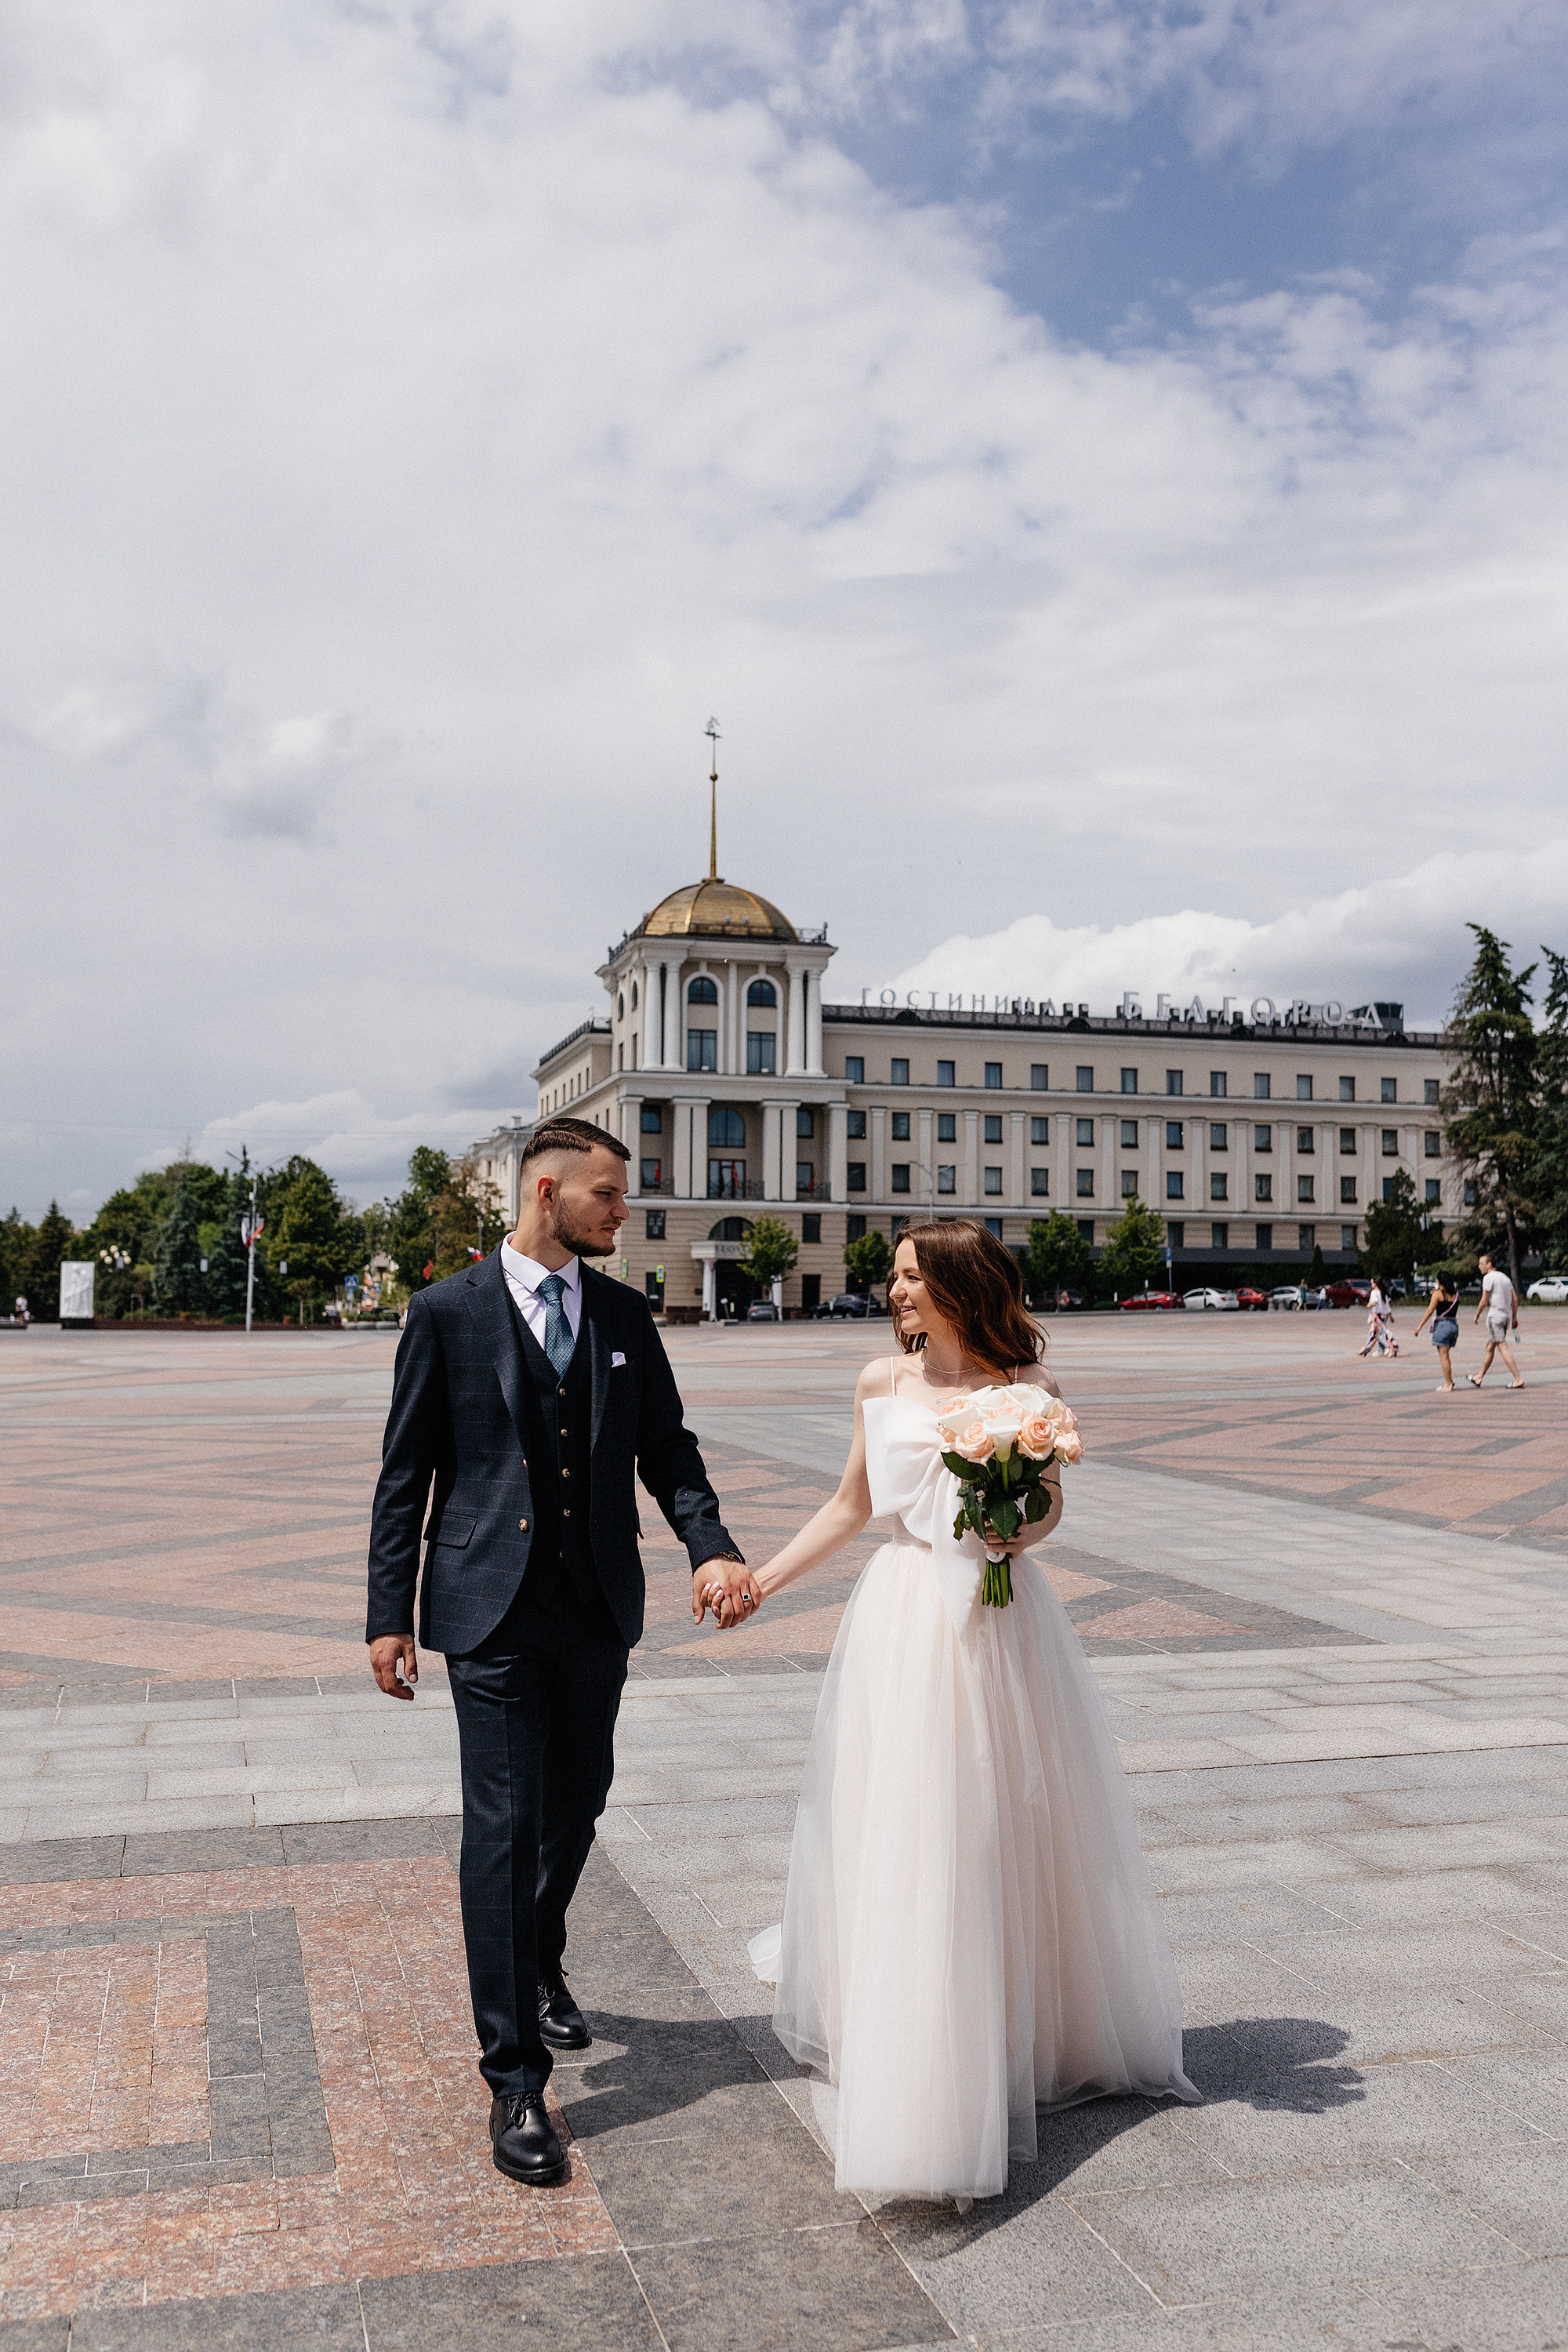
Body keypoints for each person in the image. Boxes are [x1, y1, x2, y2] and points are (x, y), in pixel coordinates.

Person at [720, 1218, 1195, 2205]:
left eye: (907, 1278)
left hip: (998, 1615)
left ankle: (1023, 2024)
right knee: (904, 1819)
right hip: (899, 1618)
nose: (892, 1293)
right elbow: (851, 1507)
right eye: (890, 1278)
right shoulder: (876, 1384)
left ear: (955, 1285)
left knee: (999, 1816)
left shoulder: (1028, 1393)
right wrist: (760, 1579)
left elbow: (1050, 1508)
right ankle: (914, 2027)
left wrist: (1018, 1521)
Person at [365, 1116, 755, 2187]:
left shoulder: (625, 1314)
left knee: (578, 1800)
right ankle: (514, 2077)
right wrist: (386, 1614)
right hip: (487, 1608)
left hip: (592, 1607)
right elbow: (407, 1474)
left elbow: (668, 1450)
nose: (622, 1213)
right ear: (546, 1191)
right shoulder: (448, 1312)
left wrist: (710, 1546)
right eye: (607, 1196)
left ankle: (534, 1957)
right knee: (502, 1821)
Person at [1470, 1254, 1525, 1388]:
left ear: (1489, 1264)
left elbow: (1484, 1301)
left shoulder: (1489, 1278)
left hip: (1495, 1317)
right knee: (1490, 1347)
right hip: (1505, 1317)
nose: (1479, 1266)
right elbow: (1515, 1299)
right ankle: (1479, 1377)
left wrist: (1477, 1316)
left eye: (1481, 1263)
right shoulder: (1505, 1278)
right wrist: (1514, 1318)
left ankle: (1518, 1378)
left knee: (1502, 1346)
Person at [1412, 1274, 1460, 1389]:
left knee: (1444, 1357)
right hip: (1454, 1325)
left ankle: (1448, 1384)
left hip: (1443, 1326)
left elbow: (1429, 1311)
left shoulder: (1438, 1294)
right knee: (1446, 1355)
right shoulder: (1457, 1295)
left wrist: (1419, 1327)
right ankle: (1449, 1381)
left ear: (1441, 1282)